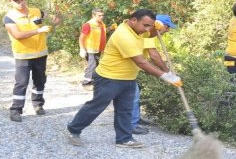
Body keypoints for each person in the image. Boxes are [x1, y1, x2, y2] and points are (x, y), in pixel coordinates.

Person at [65, 9, 182, 148]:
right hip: (109, 78)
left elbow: (151, 44)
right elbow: (141, 62)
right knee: (97, 106)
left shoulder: (140, 30)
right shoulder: (123, 35)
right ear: (133, 20)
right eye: (146, 25)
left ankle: (124, 139)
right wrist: (166, 76)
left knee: (125, 109)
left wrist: (154, 29)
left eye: (150, 25)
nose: (148, 29)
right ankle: (73, 129)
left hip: (128, 78)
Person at [3, 0, 55, 122]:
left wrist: (56, 18)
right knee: (21, 83)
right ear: (10, 1)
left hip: (41, 54)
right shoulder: (9, 17)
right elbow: (17, 35)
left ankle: (38, 105)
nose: (20, 2)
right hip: (23, 56)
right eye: (16, 0)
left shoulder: (36, 11)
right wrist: (38, 31)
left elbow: (52, 18)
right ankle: (15, 110)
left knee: (40, 81)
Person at [131, 14, 177, 135]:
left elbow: (153, 55)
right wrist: (167, 73)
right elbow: (154, 56)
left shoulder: (149, 35)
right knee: (133, 94)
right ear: (158, 25)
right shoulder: (147, 34)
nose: (167, 30)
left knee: (135, 91)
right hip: (123, 70)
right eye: (167, 27)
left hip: (133, 69)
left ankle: (135, 118)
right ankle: (132, 124)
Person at [78, 9, 107, 90]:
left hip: (98, 49)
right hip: (90, 49)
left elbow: (101, 33)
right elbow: (81, 38)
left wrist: (110, 28)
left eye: (102, 15)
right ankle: (85, 83)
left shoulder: (101, 24)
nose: (102, 17)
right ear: (93, 16)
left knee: (96, 66)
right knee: (92, 66)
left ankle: (93, 83)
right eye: (99, 15)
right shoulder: (88, 24)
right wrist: (82, 49)